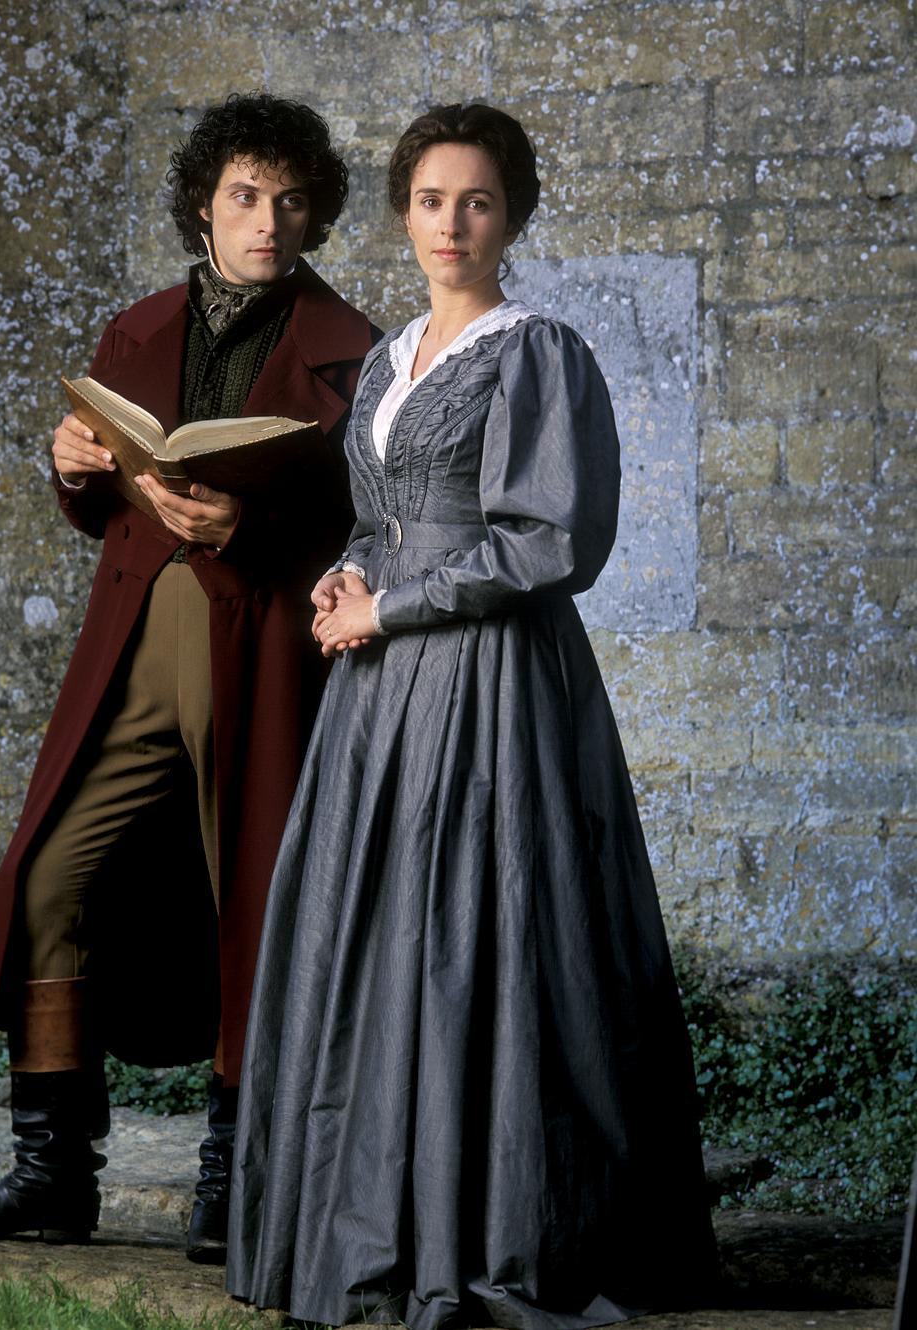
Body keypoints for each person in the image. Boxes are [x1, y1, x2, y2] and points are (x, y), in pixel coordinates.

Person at [227, 102, 718, 1327]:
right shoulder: (390, 357)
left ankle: (492, 1223)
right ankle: (372, 1220)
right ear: (405, 213)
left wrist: (388, 609)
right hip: (380, 694)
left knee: (477, 932)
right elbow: (380, 513)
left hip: (490, 684)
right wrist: (346, 572)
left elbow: (550, 541)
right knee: (376, 933)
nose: (453, 223)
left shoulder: (536, 350)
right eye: (433, 199)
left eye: (479, 201)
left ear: (513, 216)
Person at [0, 92, 379, 1260]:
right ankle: (53, 1177)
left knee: (255, 900)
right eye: (246, 196)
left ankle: (236, 1183)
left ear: (316, 215)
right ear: (203, 205)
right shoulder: (138, 329)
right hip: (131, 652)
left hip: (264, 656)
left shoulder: (360, 351)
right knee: (51, 876)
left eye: (292, 202)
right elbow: (104, 506)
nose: (268, 221)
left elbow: (379, 530)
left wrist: (252, 526)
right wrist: (75, 464)